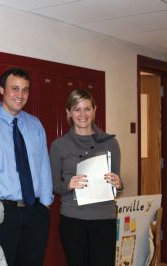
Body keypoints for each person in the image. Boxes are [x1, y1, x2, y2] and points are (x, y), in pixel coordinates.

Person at [0, 67, 53, 266]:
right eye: (15, 89)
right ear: (2, 90)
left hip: (35, 211)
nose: (20, 95)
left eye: (25, 90)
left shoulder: (35, 125)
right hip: (2, 213)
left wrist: (45, 205)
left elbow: (43, 165)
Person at [49, 88, 123, 266]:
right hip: (73, 220)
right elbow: (53, 185)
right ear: (69, 112)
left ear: (95, 110)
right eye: (77, 109)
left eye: (87, 108)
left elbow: (117, 187)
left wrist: (119, 184)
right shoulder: (59, 145)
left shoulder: (110, 143)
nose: (83, 114)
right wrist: (68, 184)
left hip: (104, 219)